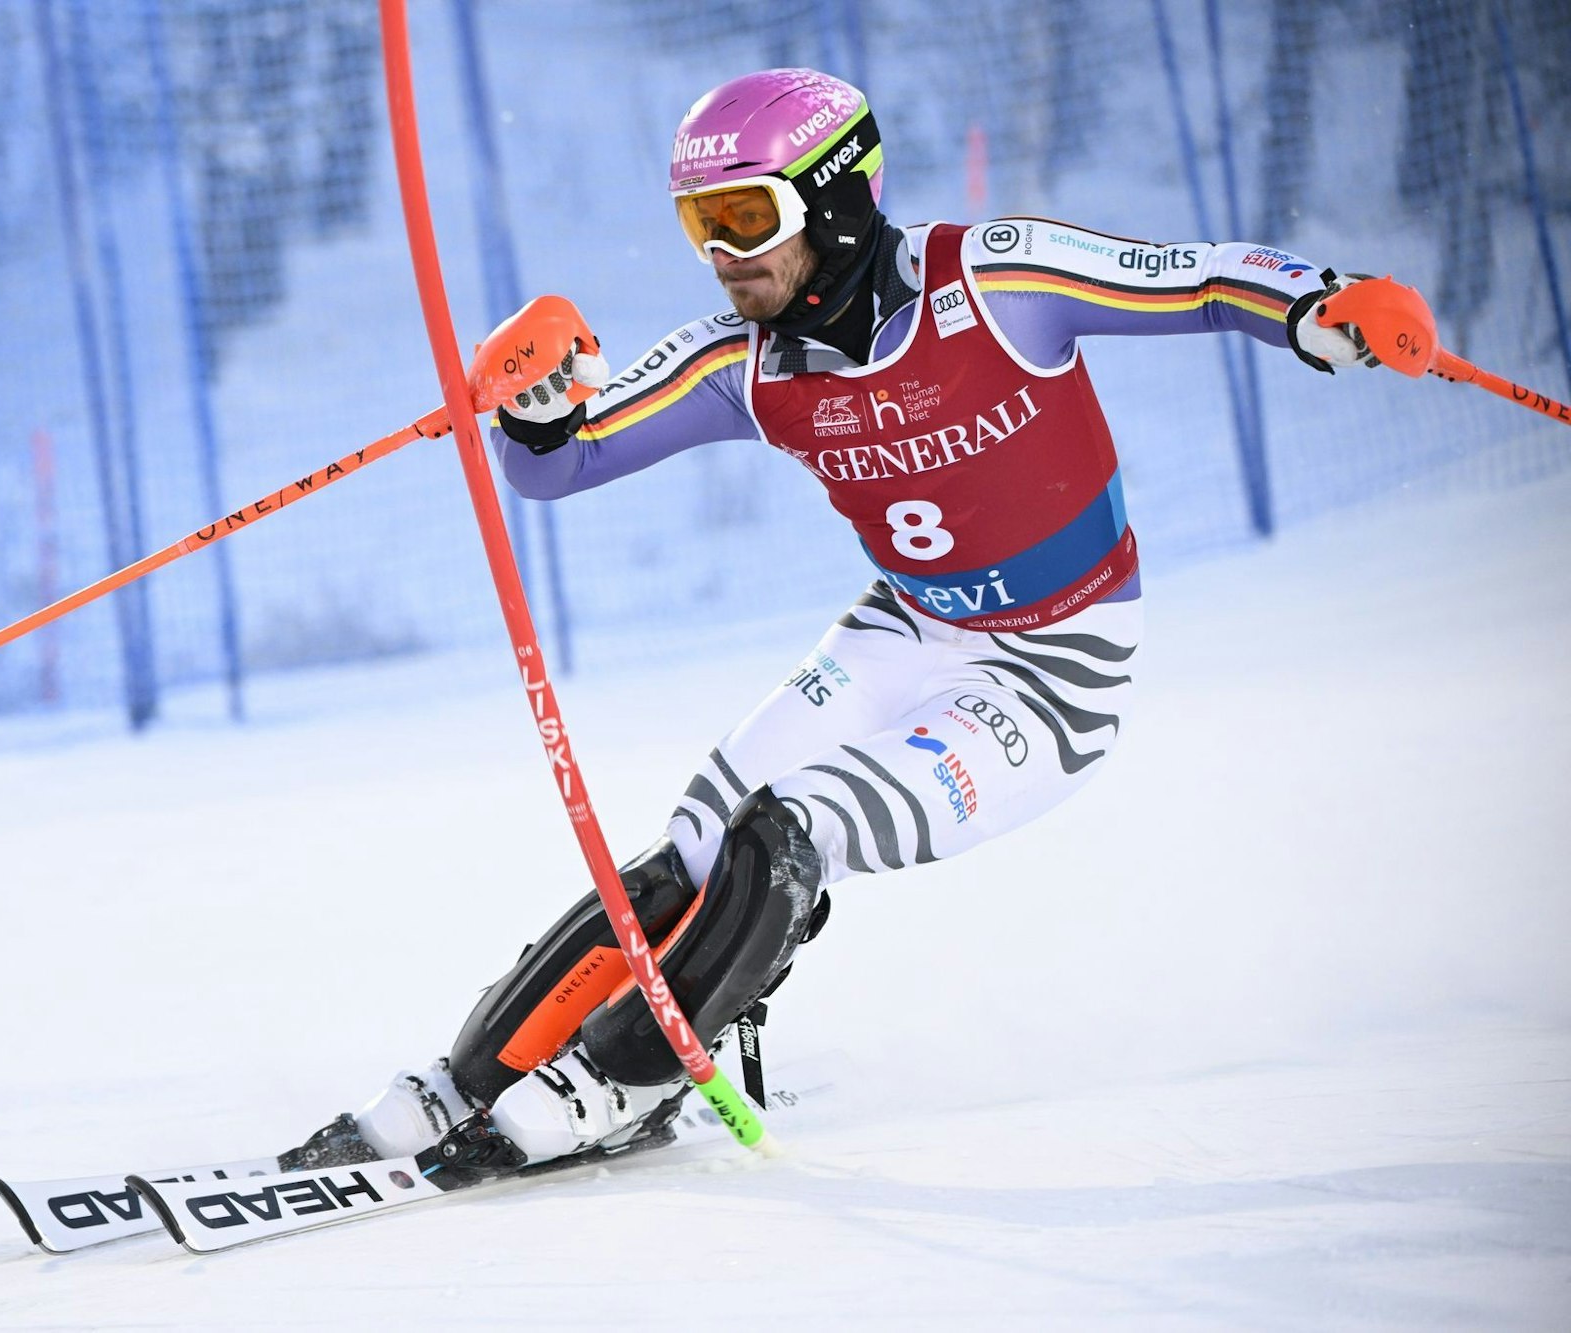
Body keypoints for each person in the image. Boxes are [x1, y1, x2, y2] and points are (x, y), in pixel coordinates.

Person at [345, 67, 1384, 1170]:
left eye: (747, 215)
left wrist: (1320, 303)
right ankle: (468, 1080)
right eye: (703, 223)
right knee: (699, 839)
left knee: (790, 826)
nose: (723, 251)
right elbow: (560, 465)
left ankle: (620, 1080)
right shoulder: (741, 360)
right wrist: (535, 402)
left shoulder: (993, 279)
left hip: (1052, 670)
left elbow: (1195, 278)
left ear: (834, 196)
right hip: (906, 627)